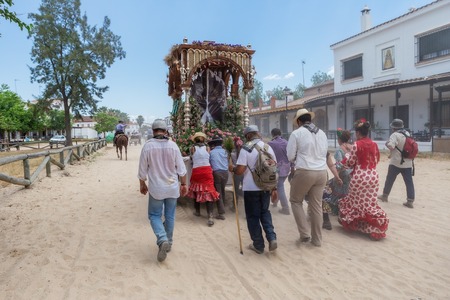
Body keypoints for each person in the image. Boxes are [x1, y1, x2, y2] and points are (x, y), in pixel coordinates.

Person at [137, 119, 188, 262]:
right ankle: (169, 243)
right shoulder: (173, 146)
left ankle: (162, 238)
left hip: (156, 189)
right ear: (166, 131)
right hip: (172, 188)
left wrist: (142, 184)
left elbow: (142, 171)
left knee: (154, 215)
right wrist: (184, 184)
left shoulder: (147, 147)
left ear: (153, 131)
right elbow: (182, 169)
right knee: (170, 215)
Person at [229, 125, 278, 254]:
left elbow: (240, 171)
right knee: (265, 212)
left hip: (251, 188)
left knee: (252, 216)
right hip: (266, 186)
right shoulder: (268, 147)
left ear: (248, 135)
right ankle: (272, 238)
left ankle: (258, 245)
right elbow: (274, 168)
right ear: (257, 133)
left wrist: (232, 169)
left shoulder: (246, 148)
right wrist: (274, 188)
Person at [338, 119, 389, 240]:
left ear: (358, 133)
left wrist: (345, 162)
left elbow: (351, 162)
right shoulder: (374, 144)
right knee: (369, 204)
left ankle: (357, 226)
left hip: (360, 177)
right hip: (373, 176)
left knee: (355, 203)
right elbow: (376, 160)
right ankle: (374, 228)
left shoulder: (357, 144)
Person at [287, 108, 329, 247]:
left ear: (299, 121)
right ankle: (317, 240)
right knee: (316, 206)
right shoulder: (322, 133)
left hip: (305, 170)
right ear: (310, 119)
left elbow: (290, 156)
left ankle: (305, 234)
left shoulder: (296, 133)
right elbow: (325, 153)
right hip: (322, 172)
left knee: (295, 201)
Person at [378, 119, 416, 208]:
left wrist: (387, 144)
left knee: (390, 179)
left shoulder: (394, 135)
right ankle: (410, 201)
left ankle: (385, 196)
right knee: (409, 182)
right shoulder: (407, 133)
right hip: (408, 162)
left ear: (393, 127)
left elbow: (391, 146)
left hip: (396, 162)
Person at [187, 132, 220, 227]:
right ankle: (210, 216)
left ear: (195, 139)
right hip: (207, 171)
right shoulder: (207, 148)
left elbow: (192, 159)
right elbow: (207, 157)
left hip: (197, 171)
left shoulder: (192, 148)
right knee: (209, 191)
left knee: (196, 190)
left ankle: (197, 211)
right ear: (203, 139)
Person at [325, 129, 353, 216]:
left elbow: (339, 165)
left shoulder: (339, 150)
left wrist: (337, 176)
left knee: (333, 189)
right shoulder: (353, 147)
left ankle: (335, 210)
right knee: (346, 192)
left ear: (339, 139)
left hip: (343, 173)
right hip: (352, 173)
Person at [268, 128, 291, 215]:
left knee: (279, 187)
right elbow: (291, 155)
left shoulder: (271, 143)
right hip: (287, 167)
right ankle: (275, 202)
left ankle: (285, 208)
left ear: (272, 134)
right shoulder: (286, 142)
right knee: (278, 186)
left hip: (277, 168)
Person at [208, 135, 229, 220]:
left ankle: (221, 212)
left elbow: (209, 163)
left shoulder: (212, 152)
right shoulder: (226, 151)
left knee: (218, 192)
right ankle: (222, 209)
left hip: (216, 173)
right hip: (225, 173)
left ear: (214, 144)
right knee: (222, 190)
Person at [230, 136, 244, 211]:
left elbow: (231, 164)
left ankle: (234, 206)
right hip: (244, 172)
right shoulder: (245, 153)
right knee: (245, 189)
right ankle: (246, 207)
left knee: (235, 190)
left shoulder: (232, 154)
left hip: (236, 173)